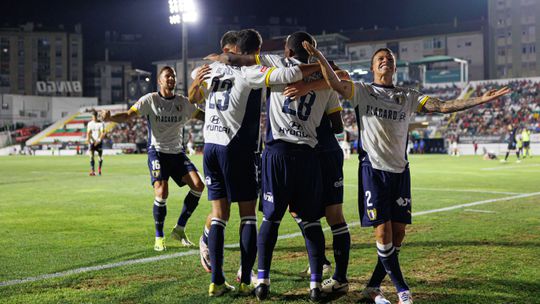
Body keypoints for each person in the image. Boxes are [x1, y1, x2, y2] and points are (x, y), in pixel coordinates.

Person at [303, 42, 510, 304]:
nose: (385, 60)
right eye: (379, 58)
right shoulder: (362, 91)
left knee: (398, 235)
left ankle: (372, 287)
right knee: (383, 234)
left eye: (389, 58)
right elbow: (335, 83)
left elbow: (442, 105)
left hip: (401, 172)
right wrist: (320, 55)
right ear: (372, 67)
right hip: (374, 171)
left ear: (395, 66)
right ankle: (403, 291)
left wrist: (479, 100)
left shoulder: (408, 95)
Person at [189, 29, 321, 298]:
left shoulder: (212, 68)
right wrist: (320, 65)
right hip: (234, 147)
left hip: (209, 146)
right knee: (248, 214)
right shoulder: (248, 72)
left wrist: (215, 61)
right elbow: (287, 75)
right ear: (252, 51)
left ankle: (216, 281)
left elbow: (195, 74)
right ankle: (246, 276)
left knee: (218, 214)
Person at [101, 66, 205, 252]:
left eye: (173, 76)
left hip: (177, 153)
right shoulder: (150, 100)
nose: (171, 78)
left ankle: (179, 229)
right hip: (157, 152)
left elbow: (201, 116)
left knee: (198, 186)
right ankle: (159, 236)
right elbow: (128, 116)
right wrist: (111, 118)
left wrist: (221, 118)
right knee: (162, 192)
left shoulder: (183, 102)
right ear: (160, 80)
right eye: (167, 76)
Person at [86, 110, 105, 176]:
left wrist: (98, 140)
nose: (93, 118)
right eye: (92, 117)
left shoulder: (101, 123)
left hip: (99, 142)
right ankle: (93, 171)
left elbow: (102, 133)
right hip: (92, 142)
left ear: (97, 116)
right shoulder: (90, 124)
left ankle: (99, 170)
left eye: (94, 117)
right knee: (91, 156)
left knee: (100, 156)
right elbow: (88, 133)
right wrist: (88, 139)